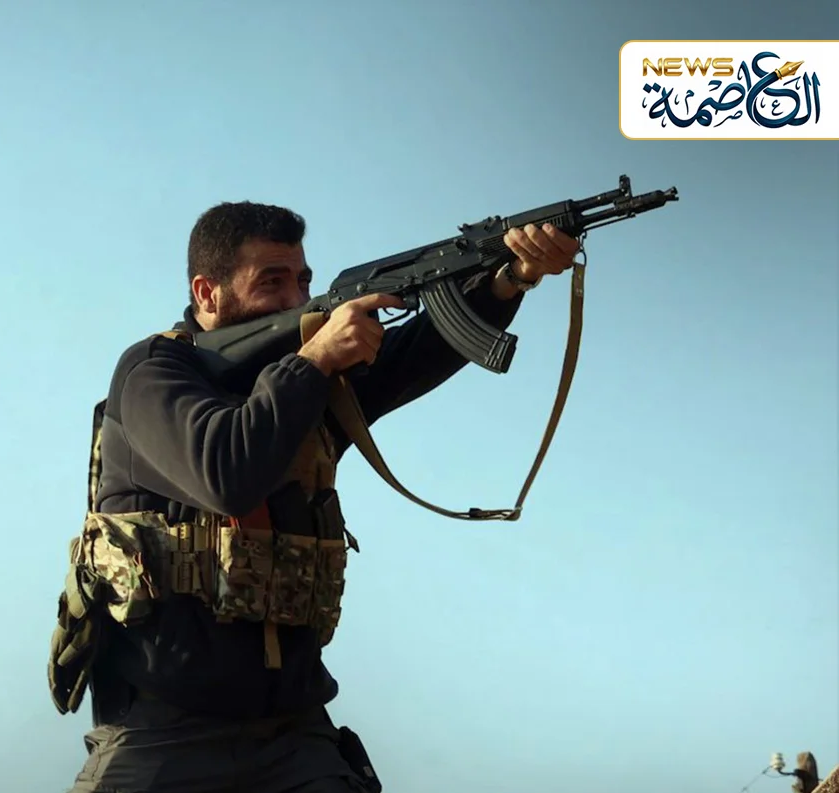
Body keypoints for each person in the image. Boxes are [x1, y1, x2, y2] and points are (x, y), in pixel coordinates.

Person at [47, 200, 581, 793]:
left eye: (302, 280)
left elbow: (419, 352)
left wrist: (510, 278)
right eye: (271, 282)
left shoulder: (307, 383)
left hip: (292, 734)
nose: (296, 299)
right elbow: (228, 475)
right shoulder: (153, 373)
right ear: (207, 293)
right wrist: (316, 359)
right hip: (162, 733)